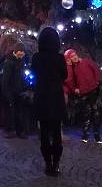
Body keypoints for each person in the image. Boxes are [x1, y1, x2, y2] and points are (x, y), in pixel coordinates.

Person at [31, 27, 67, 177]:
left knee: (44, 133)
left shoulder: (36, 57)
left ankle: (48, 164)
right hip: (56, 98)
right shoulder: (59, 58)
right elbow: (64, 75)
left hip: (42, 97)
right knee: (57, 132)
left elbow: (33, 72)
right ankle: (56, 164)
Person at [63, 49, 102, 144]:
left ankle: (97, 135)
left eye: (75, 55)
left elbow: (96, 69)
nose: (74, 57)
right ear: (69, 59)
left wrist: (97, 81)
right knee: (86, 114)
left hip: (94, 90)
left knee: (96, 113)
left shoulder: (86, 61)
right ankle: (85, 135)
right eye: (71, 57)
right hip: (84, 93)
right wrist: (75, 89)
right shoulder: (72, 69)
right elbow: (70, 80)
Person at [2, 41, 28, 139]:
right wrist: (7, 93)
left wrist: (25, 86)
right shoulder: (9, 63)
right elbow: (5, 80)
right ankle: (10, 130)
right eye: (20, 53)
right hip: (10, 92)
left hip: (19, 91)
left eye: (23, 53)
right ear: (16, 51)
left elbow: (21, 77)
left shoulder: (20, 62)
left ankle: (19, 131)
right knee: (10, 112)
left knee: (19, 112)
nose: (21, 55)